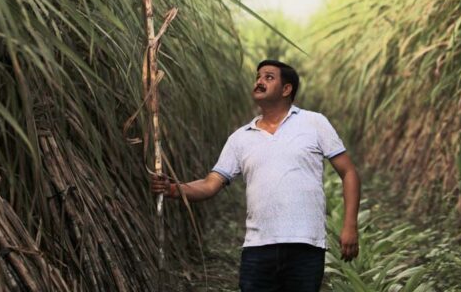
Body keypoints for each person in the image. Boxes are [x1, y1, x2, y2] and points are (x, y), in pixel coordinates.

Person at [151, 59, 360, 292]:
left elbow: (348, 172)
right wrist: (174, 189)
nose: (259, 82)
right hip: (258, 247)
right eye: (258, 77)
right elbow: (210, 184)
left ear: (286, 89)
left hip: (305, 244)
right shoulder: (240, 138)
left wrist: (349, 225)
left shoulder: (314, 123)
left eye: (268, 77)